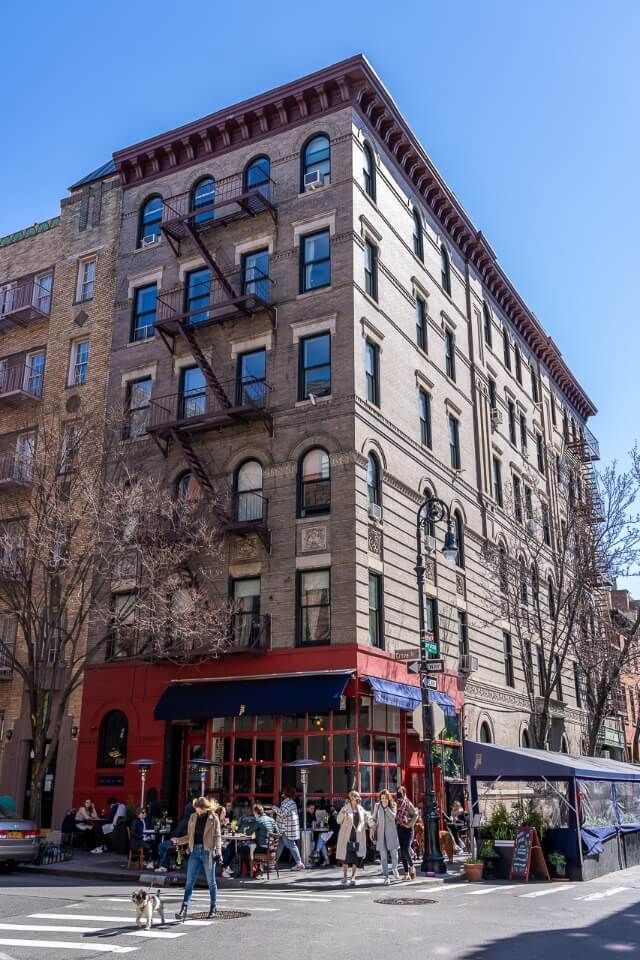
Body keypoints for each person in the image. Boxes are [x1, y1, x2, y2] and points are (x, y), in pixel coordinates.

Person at [173, 797, 221, 920]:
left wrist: (218, 853)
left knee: (211, 882)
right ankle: (184, 907)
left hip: (208, 852)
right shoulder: (193, 817)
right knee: (189, 881)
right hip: (194, 852)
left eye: (198, 808)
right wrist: (178, 840)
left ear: (204, 808)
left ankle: (213, 907)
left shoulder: (213, 818)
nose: (197, 811)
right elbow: (190, 836)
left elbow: (217, 837)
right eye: (196, 808)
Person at [336, 790, 369, 886]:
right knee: (345, 859)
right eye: (356, 797)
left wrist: (373, 824)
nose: (358, 799)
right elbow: (338, 820)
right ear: (351, 798)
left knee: (355, 859)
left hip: (357, 837)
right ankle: (345, 877)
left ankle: (353, 877)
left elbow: (368, 818)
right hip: (347, 837)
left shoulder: (361, 809)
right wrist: (343, 813)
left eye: (358, 797)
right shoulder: (345, 808)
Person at [371, 789, 401, 884]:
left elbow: (393, 817)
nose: (383, 800)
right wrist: (371, 825)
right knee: (383, 857)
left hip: (391, 834)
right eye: (381, 798)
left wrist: (386, 808)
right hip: (381, 835)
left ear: (388, 798)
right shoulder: (377, 806)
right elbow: (373, 818)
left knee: (394, 855)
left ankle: (394, 868)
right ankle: (386, 876)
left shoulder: (393, 805)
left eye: (385, 798)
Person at [273, 787, 304, 870]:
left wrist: (274, 808)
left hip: (286, 828)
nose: (281, 793)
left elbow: (283, 814)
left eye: (283, 792)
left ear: (286, 794)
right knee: (280, 845)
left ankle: (299, 863)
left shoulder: (288, 803)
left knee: (291, 845)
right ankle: (273, 862)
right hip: (285, 828)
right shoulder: (290, 802)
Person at [395, 785, 419, 880]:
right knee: (402, 851)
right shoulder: (396, 803)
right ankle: (406, 873)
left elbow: (415, 815)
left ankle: (412, 866)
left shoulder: (407, 803)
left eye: (400, 792)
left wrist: (409, 824)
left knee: (406, 849)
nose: (399, 794)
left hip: (408, 830)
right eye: (398, 792)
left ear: (404, 793)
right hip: (399, 828)